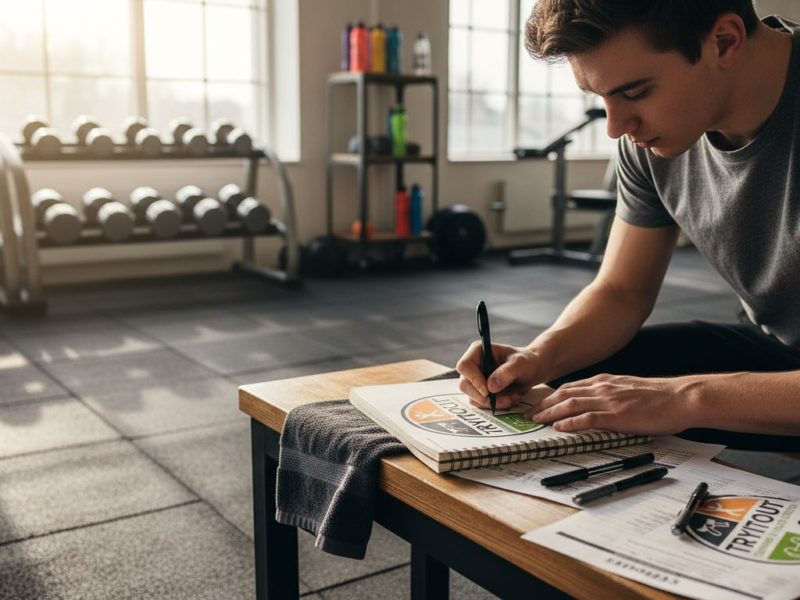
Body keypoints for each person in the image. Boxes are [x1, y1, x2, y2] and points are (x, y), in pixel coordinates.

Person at [456, 0, 800, 450]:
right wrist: (539, 355)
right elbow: (622, 290)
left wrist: (685, 398)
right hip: (779, 352)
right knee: (572, 386)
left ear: (724, 42)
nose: (616, 128)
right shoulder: (646, 142)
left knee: (660, 397)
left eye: (635, 92)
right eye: (601, 98)